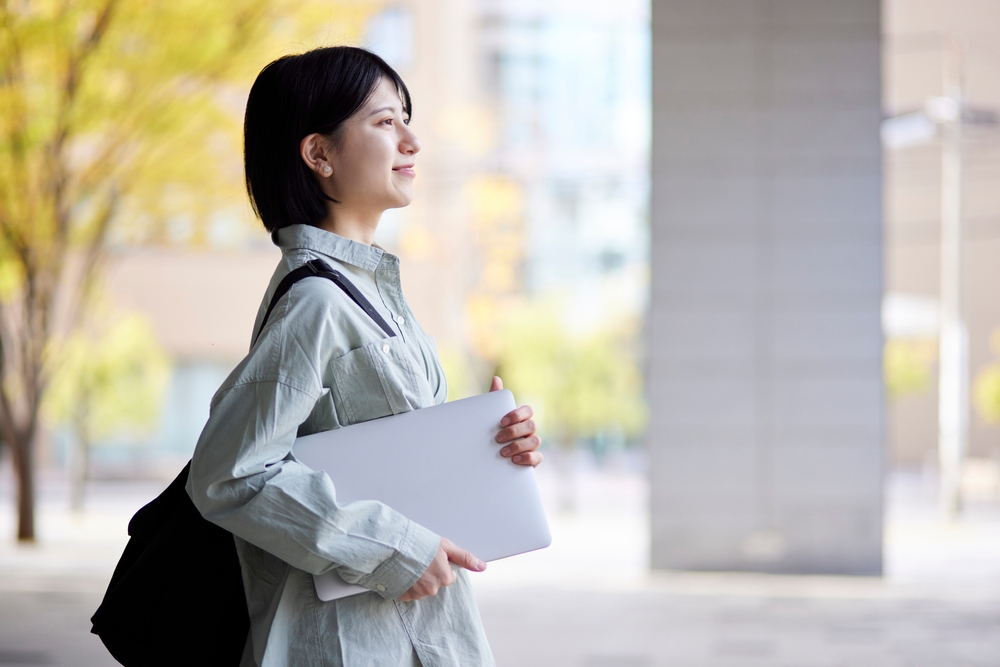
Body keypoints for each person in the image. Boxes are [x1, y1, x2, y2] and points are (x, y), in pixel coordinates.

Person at [185, 46, 543, 667]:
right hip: (345, 645)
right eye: (384, 121)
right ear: (319, 154)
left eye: (406, 117)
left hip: (414, 634)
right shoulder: (317, 301)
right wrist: (393, 548)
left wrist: (489, 449)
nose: (412, 140)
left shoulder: (373, 296)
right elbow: (230, 474)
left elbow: (384, 463)